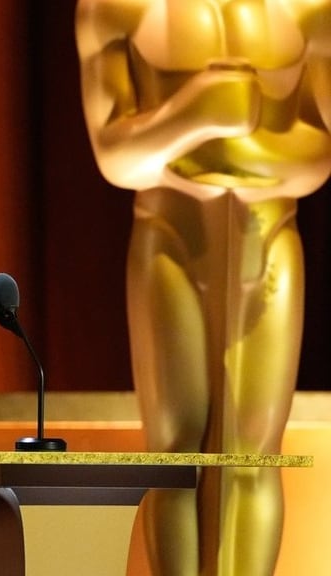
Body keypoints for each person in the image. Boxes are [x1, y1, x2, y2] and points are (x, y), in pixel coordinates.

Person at [75, 2, 331, 574]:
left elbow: (317, 155)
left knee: (254, 452)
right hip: (170, 237)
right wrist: (194, 113)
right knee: (174, 449)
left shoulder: (311, 10)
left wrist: (216, 152)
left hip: (269, 239)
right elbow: (118, 158)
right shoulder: (116, 9)